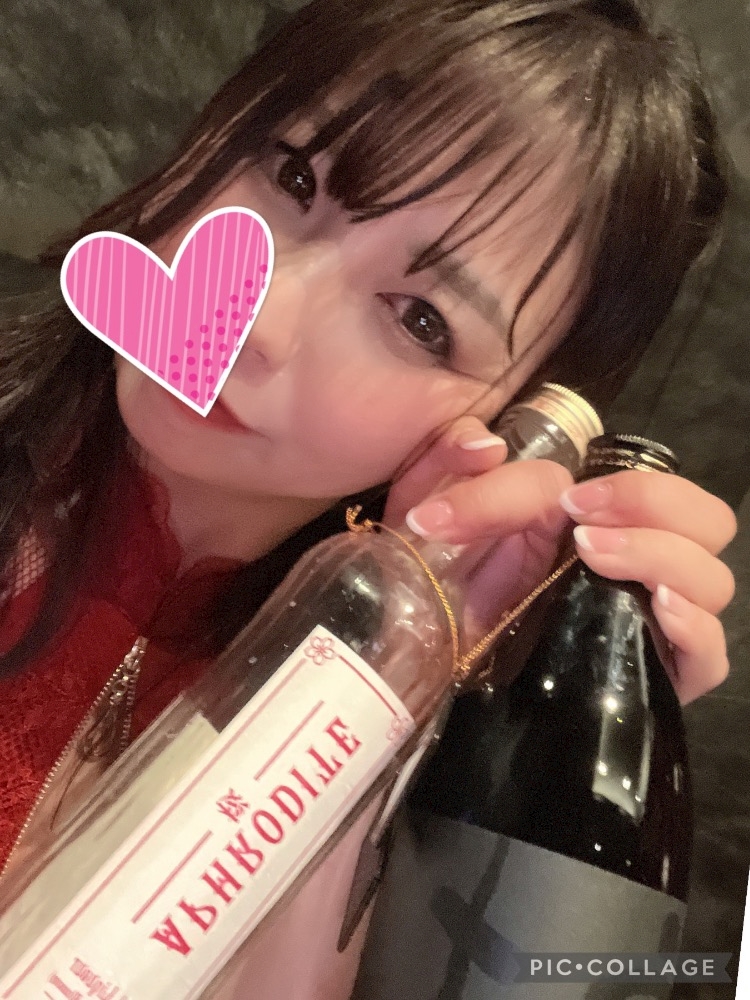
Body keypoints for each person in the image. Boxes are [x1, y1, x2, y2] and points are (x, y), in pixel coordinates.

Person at [0, 0, 738, 993]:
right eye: (293, 176)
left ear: (518, 419)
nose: (259, 317)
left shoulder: (359, 681)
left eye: (420, 319)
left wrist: (441, 716)